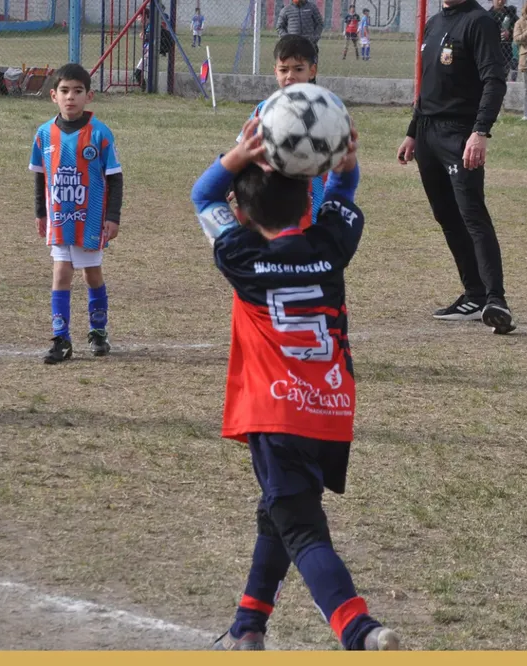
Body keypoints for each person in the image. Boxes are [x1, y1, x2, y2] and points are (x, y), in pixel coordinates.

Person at [191, 115, 401, 653]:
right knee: (279, 511)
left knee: (302, 527)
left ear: (241, 212)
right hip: (329, 408)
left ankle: (357, 628)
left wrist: (238, 154)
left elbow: (202, 195)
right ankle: (248, 625)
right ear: (307, 198)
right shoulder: (330, 246)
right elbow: (344, 191)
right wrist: (342, 163)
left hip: (277, 414)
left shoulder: (240, 256)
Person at [396, 0, 515, 334]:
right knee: (446, 216)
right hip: (427, 135)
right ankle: (474, 295)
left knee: (472, 213)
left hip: (460, 134)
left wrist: (480, 132)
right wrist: (412, 132)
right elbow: (428, 86)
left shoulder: (479, 22)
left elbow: (495, 80)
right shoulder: (433, 23)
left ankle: (496, 300)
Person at [30, 65, 124, 363]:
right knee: (61, 272)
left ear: (89, 96)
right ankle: (61, 338)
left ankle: (98, 331)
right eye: (65, 91)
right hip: (59, 218)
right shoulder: (44, 134)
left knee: (92, 274)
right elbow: (39, 176)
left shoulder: (100, 134)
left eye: (78, 91)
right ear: (53, 96)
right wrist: (40, 213)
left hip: (91, 218)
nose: (71, 97)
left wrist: (113, 217)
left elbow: (114, 177)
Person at [237, 36, 327, 230]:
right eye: (284, 70)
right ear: (275, 72)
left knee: (309, 240)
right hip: (272, 192)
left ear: (312, 71)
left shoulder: (326, 112)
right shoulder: (263, 110)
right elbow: (243, 149)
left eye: (298, 69)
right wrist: (234, 178)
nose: (290, 76)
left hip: (313, 193)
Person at [277, 0, 324, 82]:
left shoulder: (312, 7)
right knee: (295, 71)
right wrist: (289, 40)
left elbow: (319, 24)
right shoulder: (286, 10)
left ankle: (310, 91)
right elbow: (280, 27)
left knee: (310, 73)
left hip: (310, 46)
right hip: (293, 48)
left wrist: (314, 39)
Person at [487, 0, 520, 80]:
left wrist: (510, 33)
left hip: (507, 52)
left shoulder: (511, 15)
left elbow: (519, 29)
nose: (500, 2)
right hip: (492, 52)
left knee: (503, 77)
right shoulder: (487, 15)